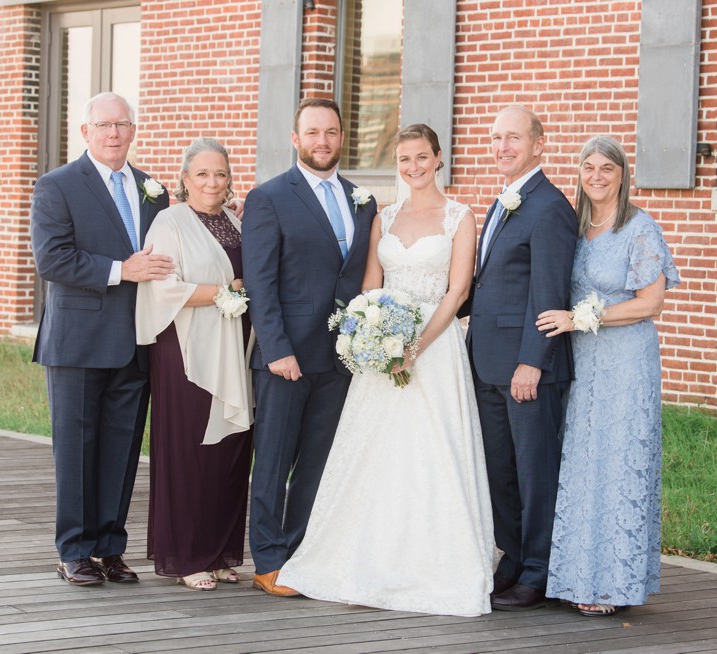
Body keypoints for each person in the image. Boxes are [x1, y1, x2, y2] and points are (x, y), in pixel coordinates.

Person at [277, 124, 495, 617]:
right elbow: (370, 287)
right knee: (373, 451)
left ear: (438, 158)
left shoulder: (460, 217)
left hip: (434, 354)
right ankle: (359, 556)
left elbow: (457, 292)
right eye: (404, 160)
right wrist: (369, 336)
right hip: (382, 352)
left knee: (432, 450)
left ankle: (435, 562)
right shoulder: (383, 216)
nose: (413, 167)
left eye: (422, 157)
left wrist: (414, 347)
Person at [31, 92, 174, 585]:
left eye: (122, 124)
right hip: (78, 341)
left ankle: (110, 549)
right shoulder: (57, 186)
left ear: (133, 130)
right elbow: (52, 259)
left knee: (122, 447)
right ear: (85, 132)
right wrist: (121, 269)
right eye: (104, 125)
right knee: (76, 448)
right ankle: (73, 551)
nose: (114, 133)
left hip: (136, 340)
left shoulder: (153, 190)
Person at [537, 135, 680, 617]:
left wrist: (581, 319)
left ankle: (612, 583)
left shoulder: (639, 229)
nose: (596, 177)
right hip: (582, 361)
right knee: (580, 462)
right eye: (588, 168)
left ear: (623, 174)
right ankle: (574, 573)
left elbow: (650, 301)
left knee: (617, 464)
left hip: (625, 361)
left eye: (607, 168)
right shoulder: (575, 226)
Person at [242, 98, 378, 597]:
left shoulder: (361, 200)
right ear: (296, 139)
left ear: (342, 138)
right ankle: (268, 560)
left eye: (332, 132)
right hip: (286, 356)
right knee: (274, 461)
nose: (323, 141)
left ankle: (299, 553)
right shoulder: (269, 197)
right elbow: (260, 280)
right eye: (313, 132)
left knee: (317, 463)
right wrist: (277, 349)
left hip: (341, 357)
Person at [466, 105, 578, 610]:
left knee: (534, 472)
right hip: (487, 362)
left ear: (539, 144)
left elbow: (549, 292)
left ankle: (539, 570)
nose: (502, 147)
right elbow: (487, 283)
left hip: (525, 369)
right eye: (495, 138)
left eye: (513, 137)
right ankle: (511, 560)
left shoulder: (550, 206)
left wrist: (533, 361)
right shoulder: (505, 201)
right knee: (500, 470)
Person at [135, 138, 254, 591]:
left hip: (234, 346)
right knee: (191, 452)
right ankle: (186, 555)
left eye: (220, 174)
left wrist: (238, 291)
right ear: (184, 179)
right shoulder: (169, 222)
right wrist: (229, 291)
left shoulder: (234, 222)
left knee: (230, 450)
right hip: (187, 350)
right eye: (202, 174)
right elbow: (163, 285)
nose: (212, 182)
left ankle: (221, 552)